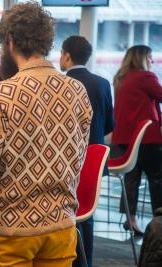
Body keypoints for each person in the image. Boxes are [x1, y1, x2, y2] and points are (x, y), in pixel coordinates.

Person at [0, 2, 93, 267]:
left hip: (9, 231)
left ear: (10, 41)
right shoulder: (78, 91)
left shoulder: (1, 93)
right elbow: (78, 161)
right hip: (61, 226)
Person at [60, 35, 114, 267]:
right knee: (87, 215)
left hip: (65, 162)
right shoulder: (103, 83)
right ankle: (86, 261)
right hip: (94, 162)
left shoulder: (61, 85)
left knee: (65, 213)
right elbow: (111, 124)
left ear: (67, 56)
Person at [112, 45, 162, 236]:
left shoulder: (121, 78)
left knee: (131, 180)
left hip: (124, 139)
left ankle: (130, 219)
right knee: (157, 179)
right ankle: (158, 220)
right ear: (141, 58)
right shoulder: (146, 77)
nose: (152, 61)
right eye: (150, 57)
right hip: (147, 138)